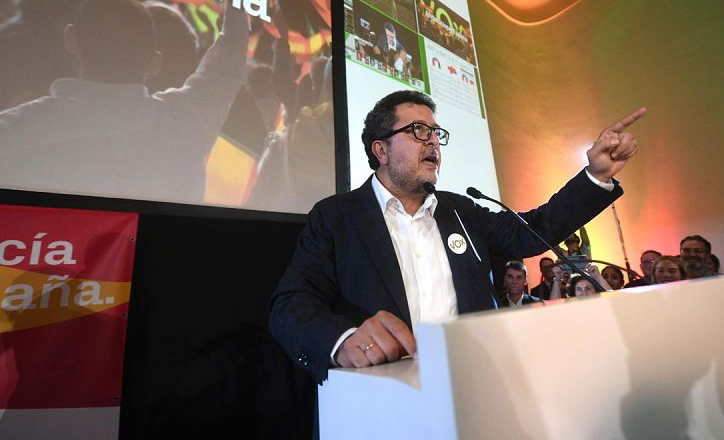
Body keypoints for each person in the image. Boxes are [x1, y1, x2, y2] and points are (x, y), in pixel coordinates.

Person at [269, 90, 645, 383]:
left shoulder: (462, 211)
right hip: (380, 401)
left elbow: (535, 232)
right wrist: (341, 340)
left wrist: (596, 176)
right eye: (418, 131)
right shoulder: (336, 217)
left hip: (472, 393)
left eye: (436, 133)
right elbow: (291, 304)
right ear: (380, 149)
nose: (433, 142)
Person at [0, 0, 249, 203]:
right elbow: (227, 63)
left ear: (71, 40)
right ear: (155, 63)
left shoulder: (14, 130)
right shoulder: (186, 122)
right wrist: (238, 2)